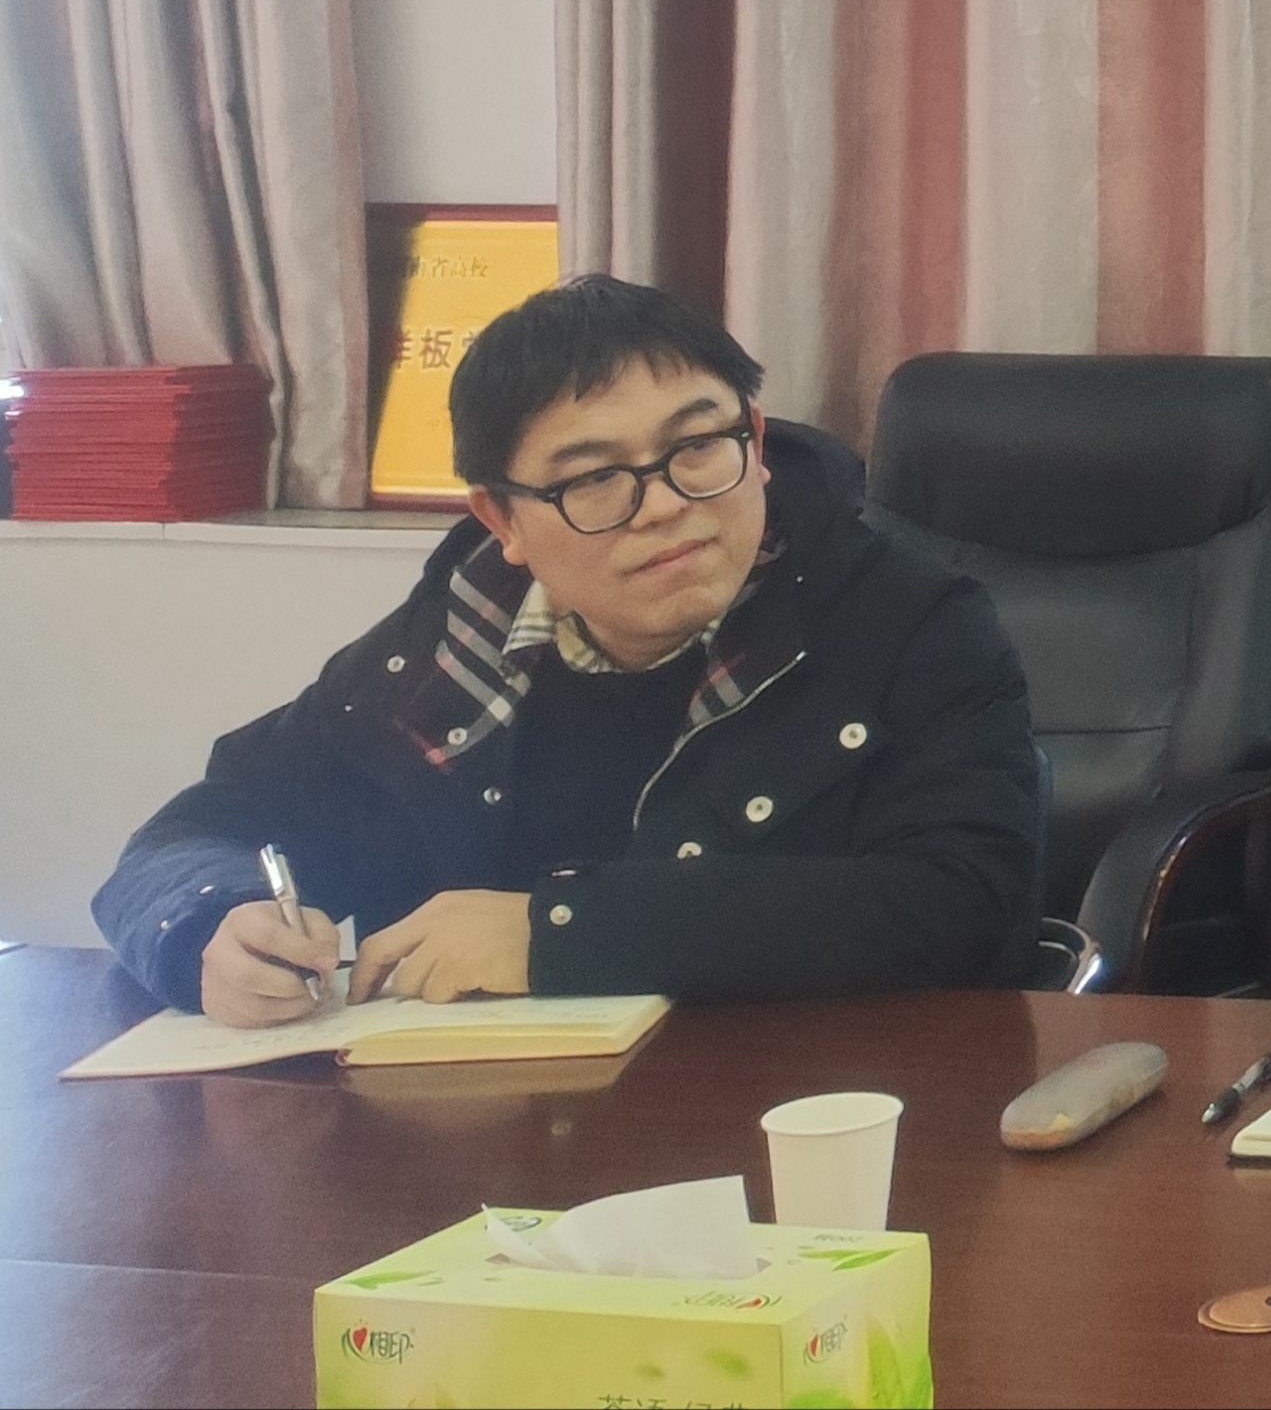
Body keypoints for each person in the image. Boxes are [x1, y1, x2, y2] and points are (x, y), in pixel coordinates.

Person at [96, 277, 1041, 1023]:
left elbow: (962, 910)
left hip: (792, 1119)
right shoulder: (444, 651)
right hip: (476, 1142)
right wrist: (209, 927)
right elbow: (192, 835)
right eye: (592, 479)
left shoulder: (905, 624)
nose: (664, 505)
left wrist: (559, 936)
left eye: (696, 447)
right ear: (501, 519)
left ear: (754, 442)